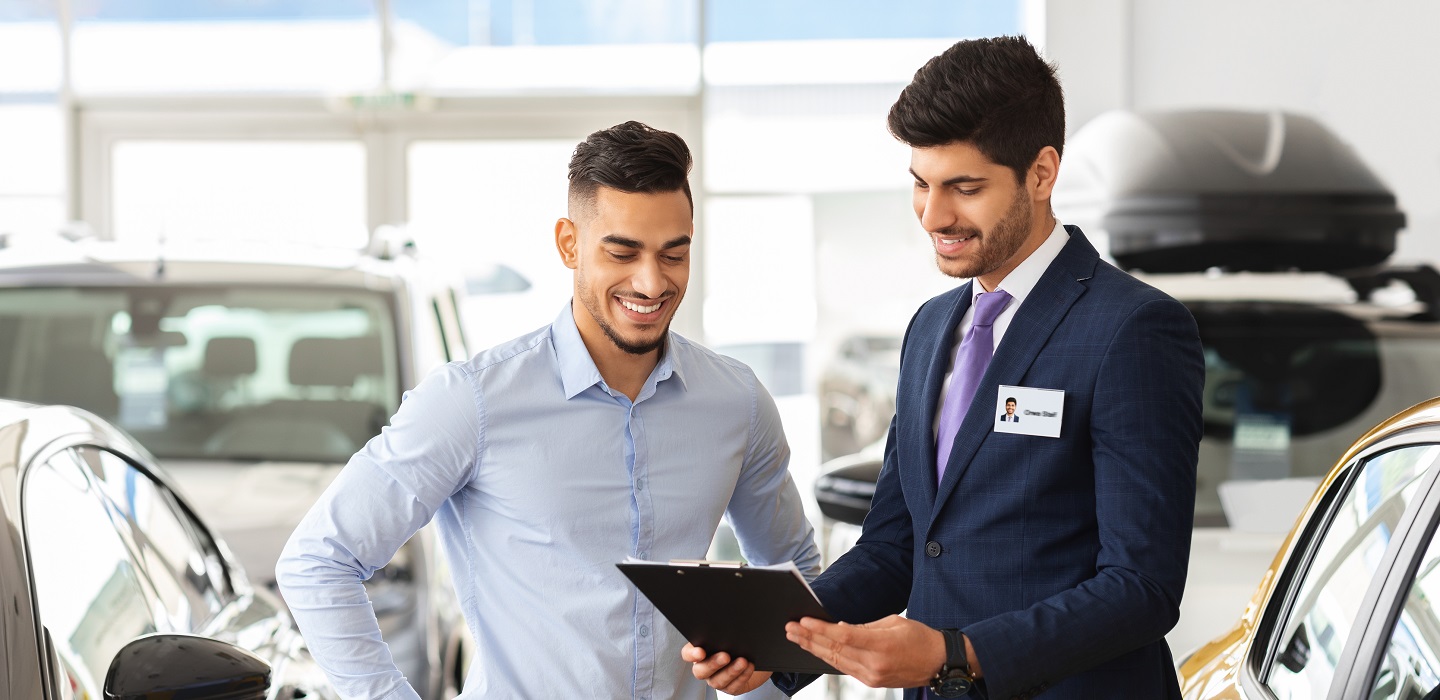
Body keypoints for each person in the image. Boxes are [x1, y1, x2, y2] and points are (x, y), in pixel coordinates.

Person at [688, 36, 1204, 699]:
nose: (935, 216)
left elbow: (1143, 588)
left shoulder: (1132, 329)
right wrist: (774, 643)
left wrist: (954, 653)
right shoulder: (931, 329)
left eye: (964, 188)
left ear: (1042, 173)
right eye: (921, 185)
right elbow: (896, 546)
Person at [277, 121, 821, 699]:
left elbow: (800, 581)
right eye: (623, 251)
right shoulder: (475, 401)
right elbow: (319, 561)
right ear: (569, 244)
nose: (651, 281)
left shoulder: (736, 401)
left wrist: (763, 670)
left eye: (674, 254)